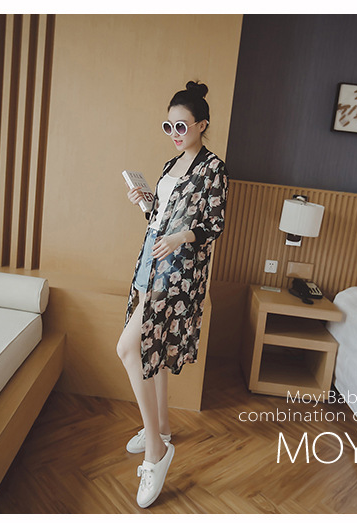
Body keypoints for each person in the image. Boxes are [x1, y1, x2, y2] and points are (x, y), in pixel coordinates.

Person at [116, 80, 229, 508]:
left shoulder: (213, 168)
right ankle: (160, 428)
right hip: (151, 261)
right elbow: (160, 217)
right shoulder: (171, 165)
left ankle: (157, 452)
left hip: (178, 273)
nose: (175, 133)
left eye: (182, 126)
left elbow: (213, 225)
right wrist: (145, 203)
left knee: (130, 348)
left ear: (201, 124)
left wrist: (182, 236)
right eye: (169, 126)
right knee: (154, 351)